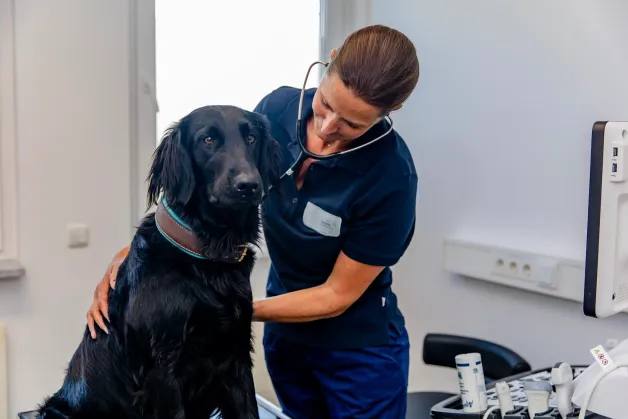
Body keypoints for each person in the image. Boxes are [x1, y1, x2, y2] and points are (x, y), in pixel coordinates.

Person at [87, 24, 420, 419]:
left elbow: (337, 295)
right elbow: (196, 186)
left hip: (358, 352)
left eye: (352, 124)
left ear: (390, 112)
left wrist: (225, 308)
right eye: (327, 105)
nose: (329, 129)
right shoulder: (275, 112)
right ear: (329, 63)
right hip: (286, 341)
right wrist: (135, 259)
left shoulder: (391, 177)